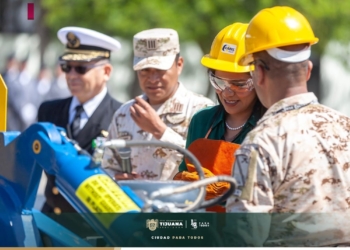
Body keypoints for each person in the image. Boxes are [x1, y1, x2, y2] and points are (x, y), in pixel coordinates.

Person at [224, 6, 350, 247]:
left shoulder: (261, 143)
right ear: (308, 70)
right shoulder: (346, 126)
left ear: (258, 73)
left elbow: (243, 238)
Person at [102, 28, 214, 180]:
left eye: (161, 70)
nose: (153, 78)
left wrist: (160, 131)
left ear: (179, 65)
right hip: (133, 201)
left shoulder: (202, 110)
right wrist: (116, 178)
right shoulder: (125, 113)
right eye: (145, 70)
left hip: (182, 202)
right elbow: (107, 166)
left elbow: (207, 167)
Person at [175, 23, 265, 211]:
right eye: (218, 82)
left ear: (259, 79)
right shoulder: (202, 121)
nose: (227, 92)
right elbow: (184, 177)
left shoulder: (267, 128)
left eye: (239, 84)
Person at [38, 27, 122, 225]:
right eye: (67, 67)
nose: (71, 75)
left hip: (96, 226)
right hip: (51, 220)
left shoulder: (121, 115)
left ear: (107, 72)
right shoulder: (49, 111)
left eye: (81, 68)